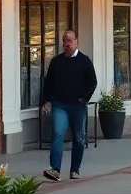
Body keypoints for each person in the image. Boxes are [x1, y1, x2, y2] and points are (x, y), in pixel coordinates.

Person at [41, 30, 98, 182]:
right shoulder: (56, 61)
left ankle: (75, 169)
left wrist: (85, 97)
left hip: (77, 105)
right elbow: (49, 82)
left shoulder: (84, 61)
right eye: (64, 41)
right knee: (58, 133)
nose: (67, 44)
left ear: (76, 41)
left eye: (70, 41)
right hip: (59, 104)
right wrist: (46, 100)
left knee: (79, 138)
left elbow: (92, 81)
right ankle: (55, 169)